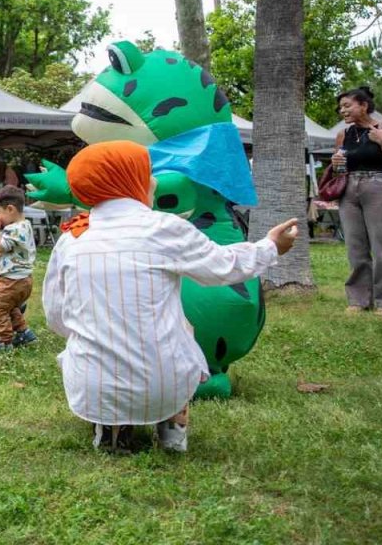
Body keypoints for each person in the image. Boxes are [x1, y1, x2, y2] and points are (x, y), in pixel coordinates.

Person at [43, 141, 298, 453]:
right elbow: (223, 266)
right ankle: (173, 430)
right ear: (128, 180)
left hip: (94, 387)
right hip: (163, 384)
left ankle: (109, 426)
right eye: (148, 173)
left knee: (87, 342)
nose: (154, 181)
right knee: (183, 328)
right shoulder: (165, 228)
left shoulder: (71, 238)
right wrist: (271, 246)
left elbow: (55, 314)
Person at [331, 87, 382, 315]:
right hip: (349, 190)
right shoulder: (343, 135)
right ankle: (358, 300)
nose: (342, 110)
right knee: (355, 247)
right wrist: (336, 164)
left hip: (379, 186)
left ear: (363, 105)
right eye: (341, 107)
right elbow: (339, 171)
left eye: (347, 105)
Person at [0, 186, 37, 353]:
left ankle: (5, 342)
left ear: (10, 209)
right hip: (24, 280)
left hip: (11, 280)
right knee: (10, 307)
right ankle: (23, 333)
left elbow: (1, 246)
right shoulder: (25, 225)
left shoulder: (13, 228)